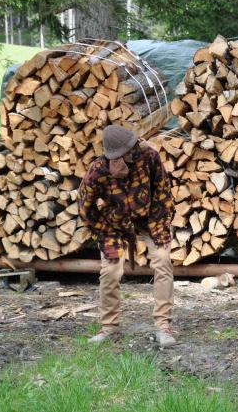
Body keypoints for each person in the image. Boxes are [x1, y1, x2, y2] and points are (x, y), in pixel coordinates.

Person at [79, 125, 177, 347]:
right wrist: (102, 229)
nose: (132, 152)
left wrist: (160, 222)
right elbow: (85, 207)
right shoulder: (98, 170)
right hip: (113, 224)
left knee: (162, 261)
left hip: (150, 217)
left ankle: (163, 325)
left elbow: (163, 192)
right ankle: (109, 327)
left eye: (132, 147)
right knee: (111, 269)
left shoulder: (149, 156)